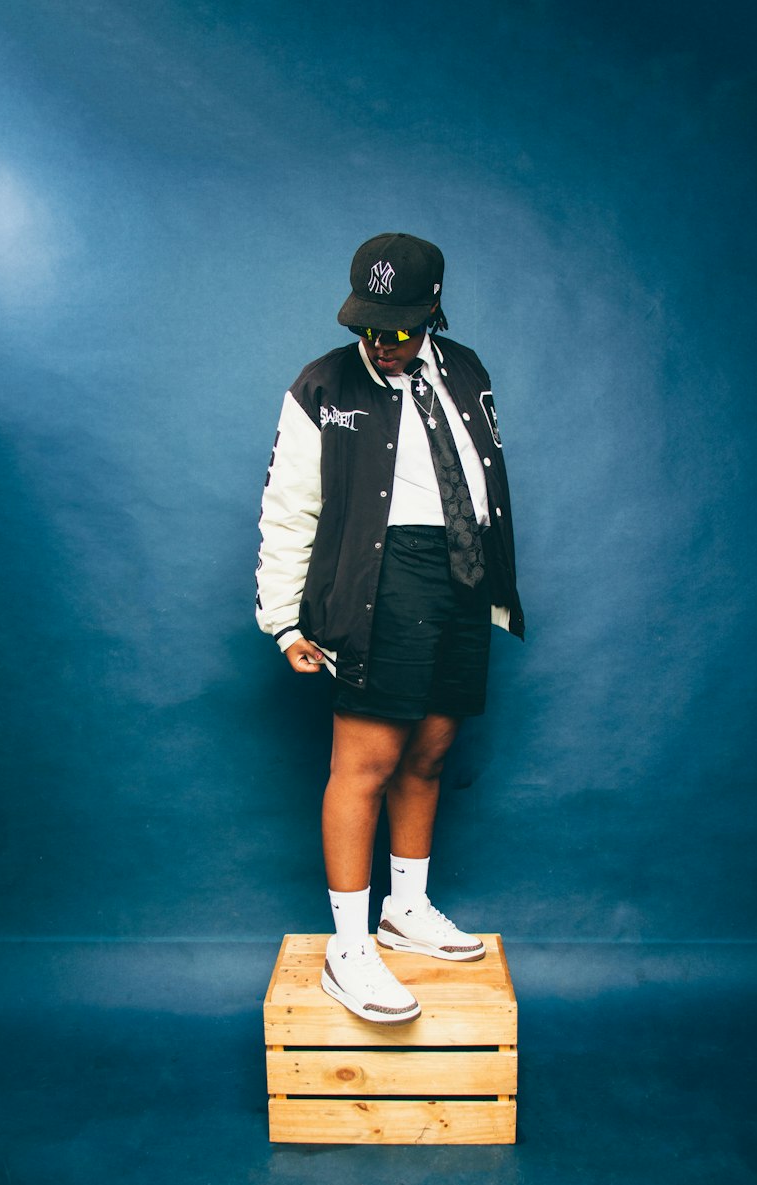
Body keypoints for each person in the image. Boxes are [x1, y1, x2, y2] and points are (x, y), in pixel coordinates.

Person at [256, 233, 523, 1024]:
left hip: (462, 570)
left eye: (399, 329)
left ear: (433, 311)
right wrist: (282, 620)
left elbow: (481, 476)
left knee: (433, 748)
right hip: (383, 575)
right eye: (369, 327)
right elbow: (288, 505)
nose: (382, 343)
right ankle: (348, 947)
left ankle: (405, 908)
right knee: (364, 761)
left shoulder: (468, 370)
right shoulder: (321, 386)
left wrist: (487, 578)